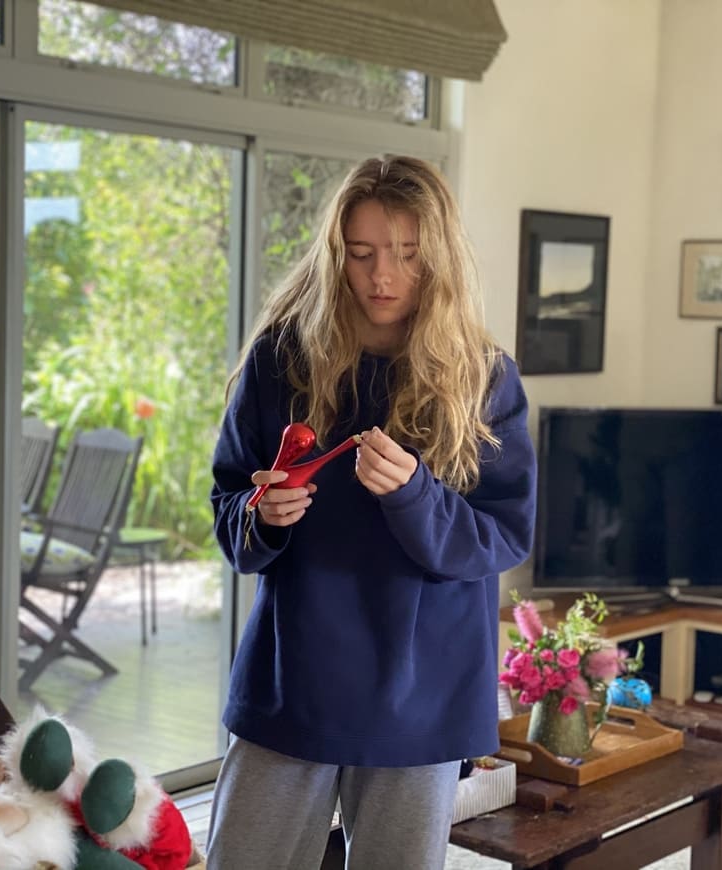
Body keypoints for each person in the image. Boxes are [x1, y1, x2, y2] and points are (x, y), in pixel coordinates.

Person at [206, 155, 536, 869]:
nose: (382, 277)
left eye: (407, 256)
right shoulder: (280, 362)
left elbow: (502, 538)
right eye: (361, 254)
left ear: (439, 257)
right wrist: (262, 516)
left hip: (425, 693)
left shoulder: (485, 379)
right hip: (292, 680)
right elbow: (230, 511)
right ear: (336, 256)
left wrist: (415, 496)